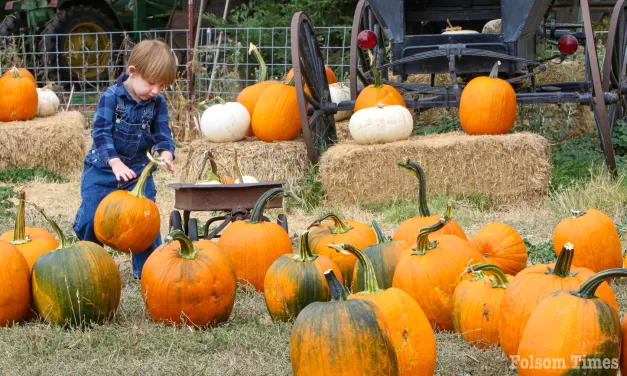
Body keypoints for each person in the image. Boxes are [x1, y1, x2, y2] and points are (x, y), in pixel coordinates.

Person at [73, 39, 177, 279]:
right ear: (132, 72)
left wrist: (166, 152)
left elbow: (162, 133)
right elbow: (100, 133)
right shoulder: (111, 97)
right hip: (103, 169)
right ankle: (89, 261)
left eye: (162, 86)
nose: (156, 90)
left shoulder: (157, 103)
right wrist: (115, 163)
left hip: (139, 171)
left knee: (144, 221)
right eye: (152, 83)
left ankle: (148, 271)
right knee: (91, 218)